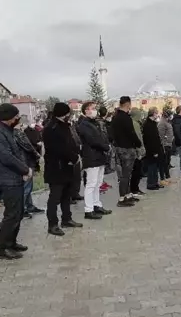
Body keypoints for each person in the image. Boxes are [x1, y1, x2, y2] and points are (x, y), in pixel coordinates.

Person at [0, 104, 30, 260]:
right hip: (7, 178)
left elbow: (15, 153)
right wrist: (25, 170)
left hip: (14, 176)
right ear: (10, 117)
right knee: (11, 214)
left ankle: (11, 242)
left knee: (18, 212)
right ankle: (2, 248)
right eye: (16, 116)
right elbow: (6, 156)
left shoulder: (5, 130)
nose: (18, 119)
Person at [43, 102, 83, 236]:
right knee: (55, 197)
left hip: (67, 166)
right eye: (67, 113)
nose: (69, 116)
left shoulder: (64, 126)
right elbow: (58, 149)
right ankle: (52, 224)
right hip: (56, 167)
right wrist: (73, 158)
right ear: (62, 114)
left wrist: (76, 154)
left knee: (67, 194)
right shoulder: (51, 128)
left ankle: (67, 218)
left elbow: (70, 143)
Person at [76, 101, 113, 220]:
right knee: (91, 184)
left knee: (97, 183)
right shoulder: (84, 125)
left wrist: (105, 145)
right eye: (92, 108)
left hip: (99, 157)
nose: (94, 110)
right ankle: (89, 209)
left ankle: (97, 205)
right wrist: (106, 147)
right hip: (91, 157)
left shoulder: (94, 123)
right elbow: (93, 140)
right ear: (86, 110)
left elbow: (101, 137)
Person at [111, 96, 142, 207]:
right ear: (128, 104)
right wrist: (138, 143)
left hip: (119, 148)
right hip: (127, 149)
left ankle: (128, 195)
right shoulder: (125, 118)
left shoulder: (115, 117)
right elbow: (131, 133)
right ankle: (122, 198)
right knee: (125, 175)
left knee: (126, 174)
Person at [14, 124, 44, 218]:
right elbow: (28, 145)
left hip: (25, 161)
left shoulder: (15, 133)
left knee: (28, 187)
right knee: (26, 187)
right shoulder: (17, 133)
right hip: (25, 162)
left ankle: (29, 206)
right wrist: (37, 154)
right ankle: (22, 210)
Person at [142, 107, 164, 191]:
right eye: (156, 113)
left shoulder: (152, 123)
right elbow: (150, 139)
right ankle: (151, 184)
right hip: (151, 150)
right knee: (152, 167)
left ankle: (155, 182)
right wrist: (154, 151)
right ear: (153, 113)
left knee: (155, 167)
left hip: (156, 149)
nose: (157, 114)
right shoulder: (148, 124)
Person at [129, 108, 146, 197]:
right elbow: (138, 138)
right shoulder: (134, 124)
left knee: (137, 171)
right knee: (137, 171)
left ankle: (134, 188)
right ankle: (134, 189)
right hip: (136, 151)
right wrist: (140, 150)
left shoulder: (134, 123)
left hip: (135, 150)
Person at [158, 110, 174, 184]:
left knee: (167, 162)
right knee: (163, 162)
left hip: (169, 144)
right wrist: (166, 140)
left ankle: (167, 177)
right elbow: (161, 135)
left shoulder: (167, 122)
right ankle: (163, 178)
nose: (171, 116)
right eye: (170, 115)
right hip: (165, 145)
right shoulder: (162, 123)